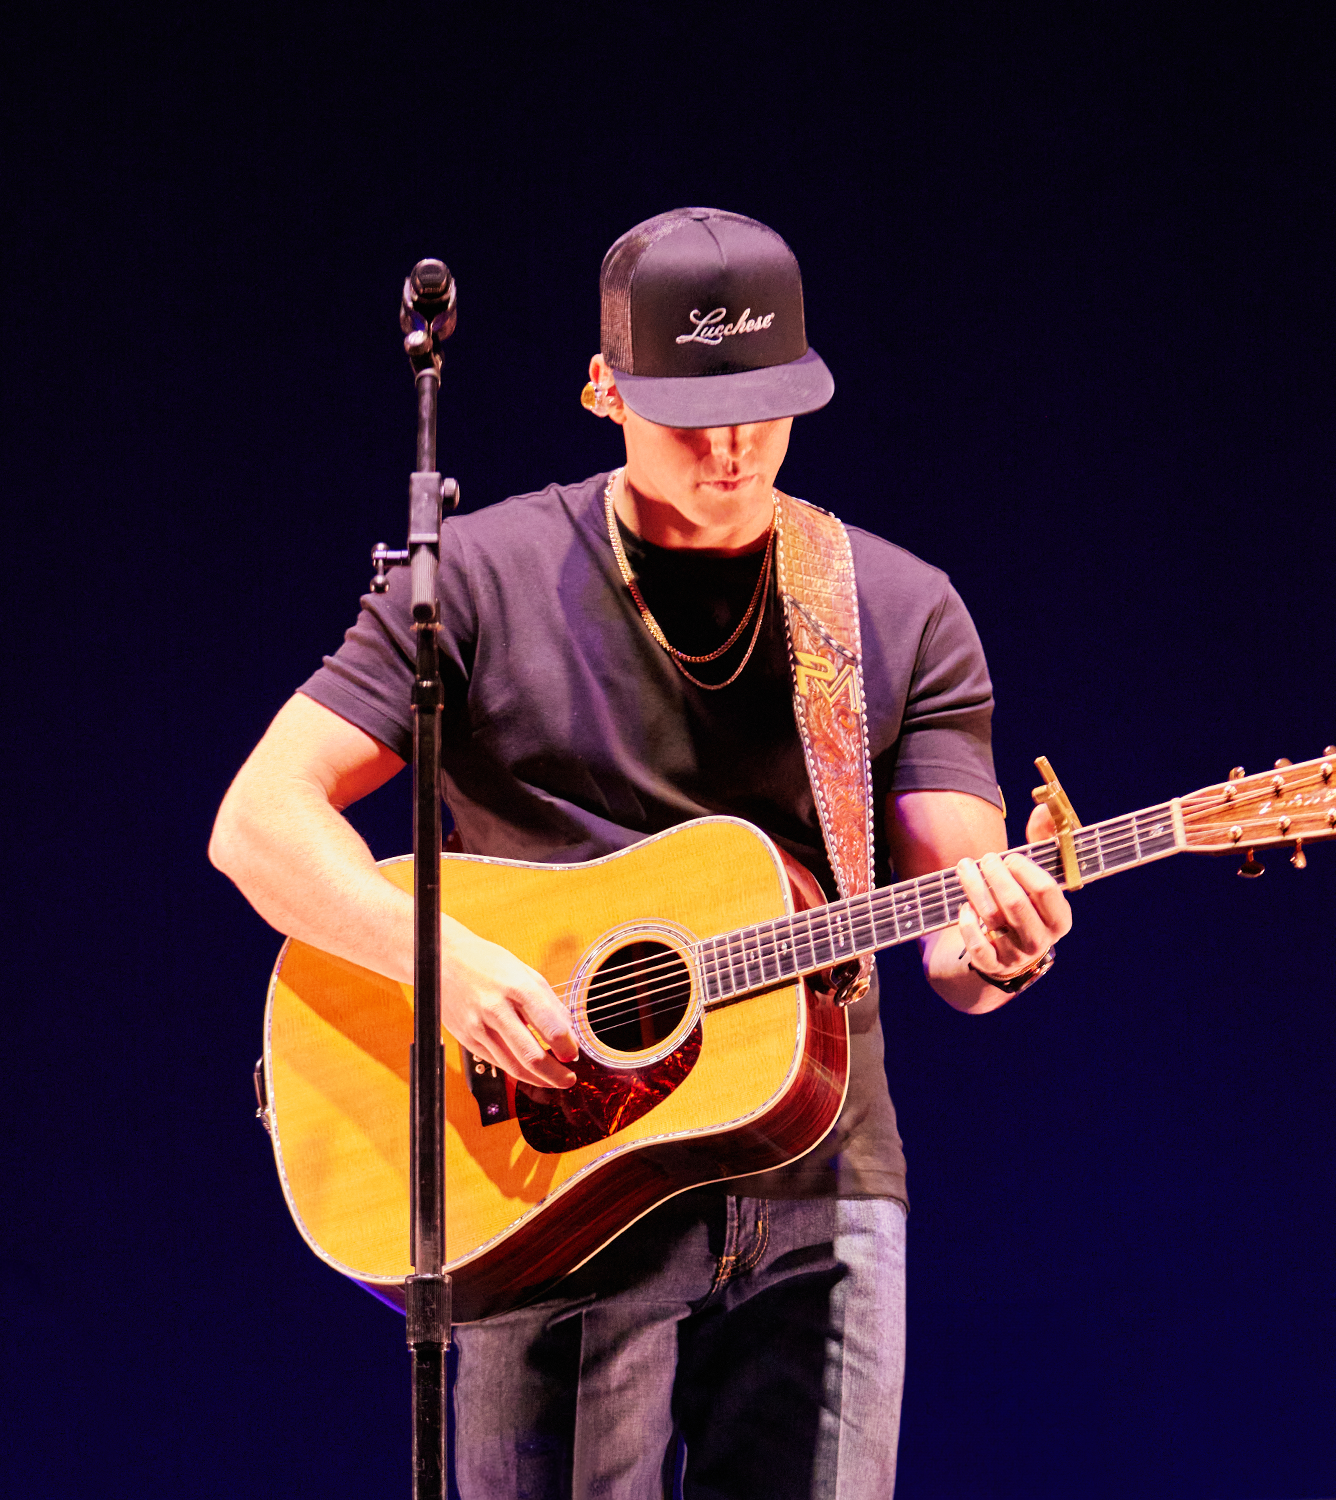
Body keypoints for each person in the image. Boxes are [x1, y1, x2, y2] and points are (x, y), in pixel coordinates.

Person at [210, 207, 1072, 1500]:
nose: (731, 447)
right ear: (604, 388)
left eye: (765, 409)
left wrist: (1000, 945)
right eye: (689, 411)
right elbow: (258, 820)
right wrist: (444, 965)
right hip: (551, 1176)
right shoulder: (479, 581)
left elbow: (956, 930)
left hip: (818, 1186)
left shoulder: (896, 609)